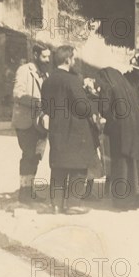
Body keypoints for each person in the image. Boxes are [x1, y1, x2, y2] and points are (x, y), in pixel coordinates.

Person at [41, 45, 100, 214]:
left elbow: (46, 107)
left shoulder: (48, 81)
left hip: (57, 129)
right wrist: (92, 103)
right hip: (76, 131)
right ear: (67, 59)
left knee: (58, 167)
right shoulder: (72, 80)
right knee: (78, 168)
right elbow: (82, 107)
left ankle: (56, 205)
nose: (74, 62)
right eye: (73, 58)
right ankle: (73, 204)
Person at [95, 66, 139, 210]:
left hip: (121, 129)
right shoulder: (124, 86)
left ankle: (122, 200)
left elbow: (104, 108)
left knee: (122, 164)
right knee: (134, 163)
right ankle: (137, 197)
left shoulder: (108, 86)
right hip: (137, 126)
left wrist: (94, 94)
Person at [11, 43, 50, 205]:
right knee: (28, 156)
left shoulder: (45, 73)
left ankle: (29, 190)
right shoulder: (24, 70)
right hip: (26, 121)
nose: (47, 60)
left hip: (39, 123)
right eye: (44, 56)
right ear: (35, 55)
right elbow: (17, 94)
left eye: (49, 57)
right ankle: (24, 193)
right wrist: (38, 103)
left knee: (36, 157)